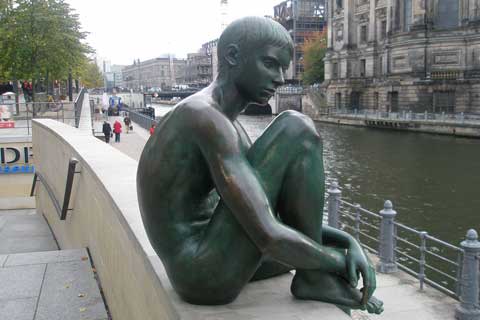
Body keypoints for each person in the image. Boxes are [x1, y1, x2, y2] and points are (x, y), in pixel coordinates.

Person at [137, 17, 383, 314]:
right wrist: (341, 262)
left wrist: (347, 242)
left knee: (303, 248)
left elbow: (268, 215)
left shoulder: (225, 124)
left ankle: (314, 277)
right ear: (232, 57)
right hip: (201, 274)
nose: (280, 78)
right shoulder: (205, 118)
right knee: (297, 128)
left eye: (283, 67)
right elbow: (268, 234)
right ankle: (315, 279)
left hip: (212, 256)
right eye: (270, 64)